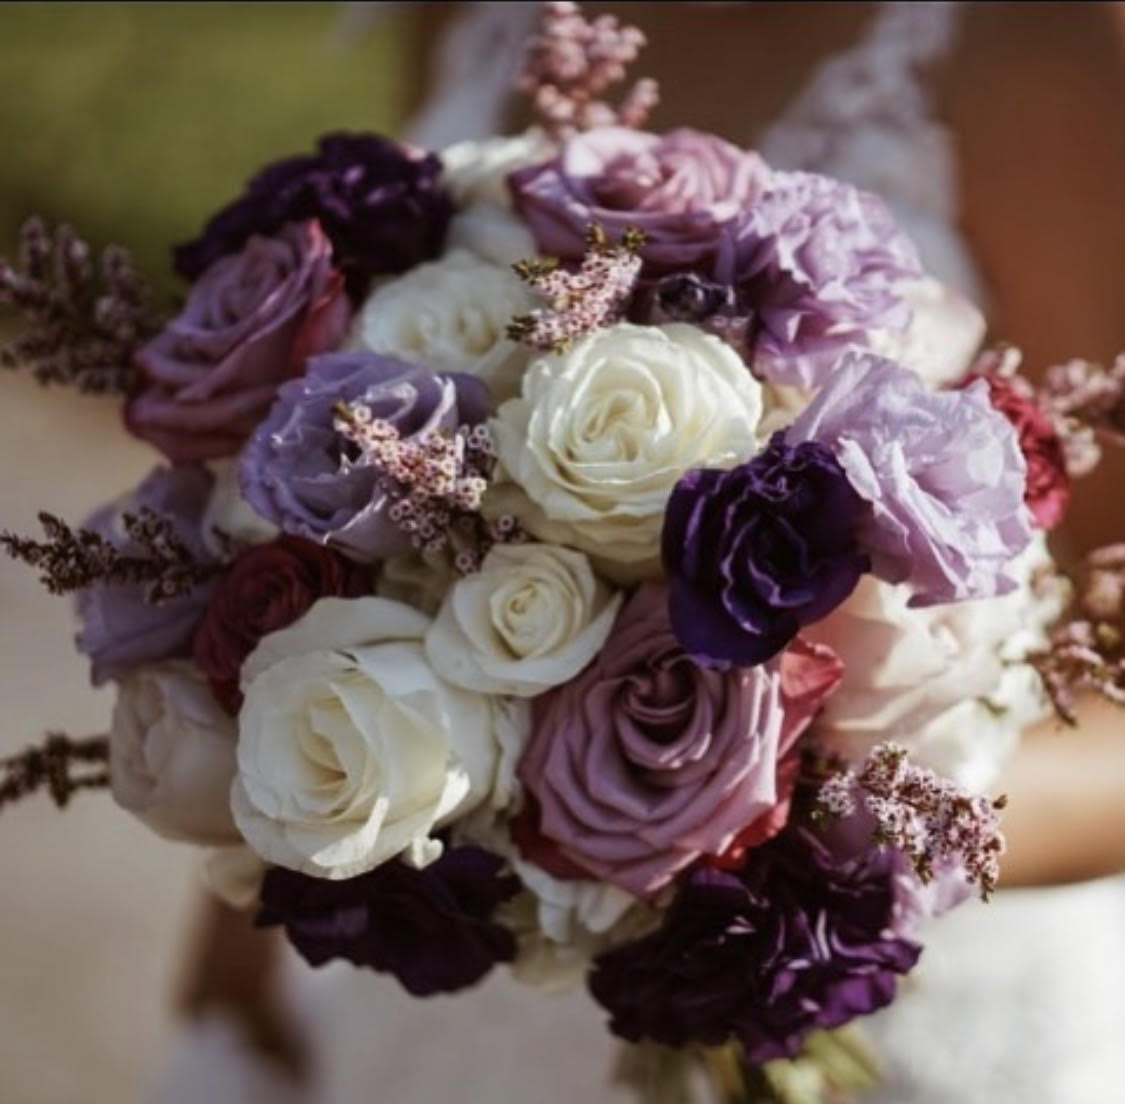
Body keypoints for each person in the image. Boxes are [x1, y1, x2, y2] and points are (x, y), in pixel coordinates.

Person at [157, 4, 1125, 1102]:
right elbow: (323, 518)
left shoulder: (1035, 41)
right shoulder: (477, 15)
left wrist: (791, 830)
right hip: (459, 990)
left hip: (887, 994)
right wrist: (247, 905)